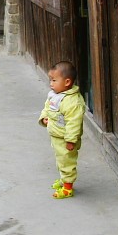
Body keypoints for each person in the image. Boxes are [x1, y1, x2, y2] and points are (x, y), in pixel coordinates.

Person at [38, 61, 86, 199]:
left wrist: (71, 140)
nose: (51, 83)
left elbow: (74, 123)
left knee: (67, 162)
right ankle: (64, 180)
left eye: (54, 80)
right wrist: (44, 118)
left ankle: (68, 188)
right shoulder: (54, 95)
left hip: (66, 139)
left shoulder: (73, 102)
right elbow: (47, 107)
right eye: (50, 80)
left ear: (67, 82)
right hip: (56, 135)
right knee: (60, 160)